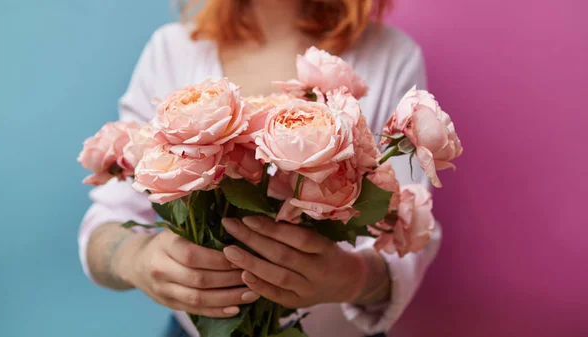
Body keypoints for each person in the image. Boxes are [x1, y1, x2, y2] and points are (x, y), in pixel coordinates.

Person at [79, 0, 442, 336]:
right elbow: (106, 221)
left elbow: (408, 232)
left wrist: (354, 278)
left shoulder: (390, 56)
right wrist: (135, 259)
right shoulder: (173, 51)